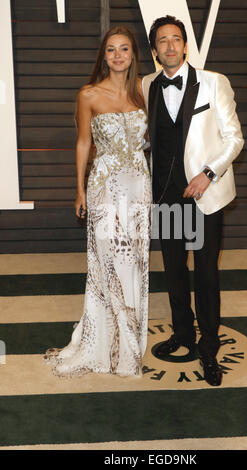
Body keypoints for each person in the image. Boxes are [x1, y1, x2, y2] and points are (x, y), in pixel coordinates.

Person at [142, 16, 244, 386]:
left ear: (186, 46)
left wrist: (208, 174)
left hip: (204, 197)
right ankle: (183, 335)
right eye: (162, 42)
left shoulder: (215, 82)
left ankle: (210, 349)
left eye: (176, 39)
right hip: (167, 197)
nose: (170, 46)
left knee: (205, 273)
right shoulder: (147, 84)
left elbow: (235, 139)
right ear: (154, 51)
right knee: (174, 271)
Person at [44, 26, 151, 378]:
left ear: (133, 54)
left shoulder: (143, 92)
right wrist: (79, 190)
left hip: (139, 189)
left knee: (134, 263)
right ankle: (111, 346)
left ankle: (128, 339)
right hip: (105, 188)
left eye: (124, 49)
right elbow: (83, 144)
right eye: (110, 50)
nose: (118, 55)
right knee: (108, 264)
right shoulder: (88, 94)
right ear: (103, 56)